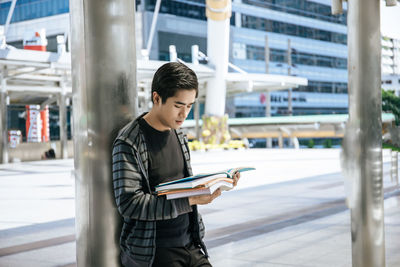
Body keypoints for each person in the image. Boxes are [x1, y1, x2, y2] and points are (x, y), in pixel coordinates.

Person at [112, 62, 240, 267]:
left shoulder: (179, 134)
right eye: (178, 106)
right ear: (156, 98)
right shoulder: (130, 141)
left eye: (190, 106)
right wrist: (190, 200)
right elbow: (130, 203)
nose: (184, 114)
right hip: (154, 251)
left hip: (190, 243)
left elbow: (180, 183)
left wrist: (214, 182)